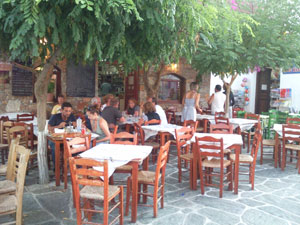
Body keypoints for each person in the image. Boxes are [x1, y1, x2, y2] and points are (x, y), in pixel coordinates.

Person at [48, 102, 76, 167]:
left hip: (67, 139)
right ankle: (56, 168)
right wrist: (58, 126)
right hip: (55, 140)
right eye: (66, 111)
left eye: (69, 111)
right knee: (55, 148)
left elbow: (74, 124)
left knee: (77, 146)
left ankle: (72, 168)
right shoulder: (55, 117)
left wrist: (75, 124)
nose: (68, 113)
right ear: (61, 110)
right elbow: (49, 128)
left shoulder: (71, 116)